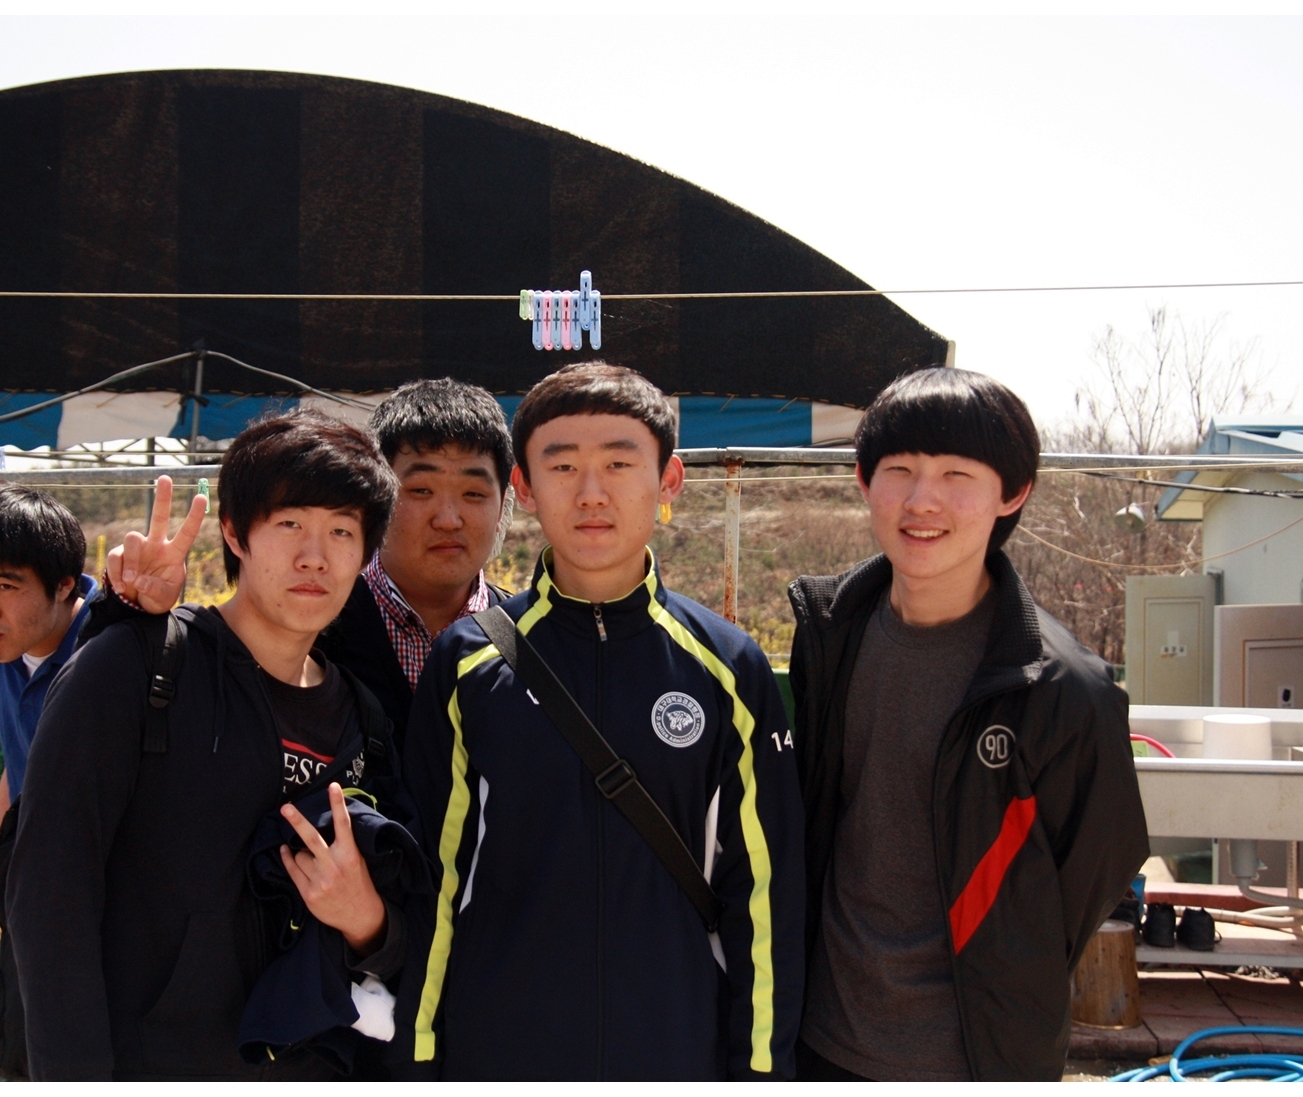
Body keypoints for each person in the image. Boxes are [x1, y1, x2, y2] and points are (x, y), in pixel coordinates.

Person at [395, 362, 806, 1080]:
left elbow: (765, 897)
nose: (591, 493)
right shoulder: (467, 661)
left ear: (668, 480)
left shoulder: (727, 667)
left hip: (675, 1053)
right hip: (498, 1054)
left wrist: (761, 1072)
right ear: (524, 487)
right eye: (562, 467)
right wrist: (417, 1057)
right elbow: (434, 880)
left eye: (619, 464)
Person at [4, 410, 407, 1080]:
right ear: (234, 532)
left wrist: (368, 921)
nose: (315, 556)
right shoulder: (137, 669)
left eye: (342, 531)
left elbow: (397, 931)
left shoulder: (364, 719)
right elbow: (49, 898)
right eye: (290, 524)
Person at [786, 367, 1149, 1082]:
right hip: (822, 1037)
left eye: (957, 474)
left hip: (977, 1058)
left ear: (1012, 492)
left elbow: (1095, 871)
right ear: (863, 480)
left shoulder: (1063, 689)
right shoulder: (830, 634)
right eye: (900, 470)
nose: (922, 500)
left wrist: (1008, 974)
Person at [105, 379, 515, 752]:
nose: (448, 519)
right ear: (379, 501)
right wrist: (127, 610)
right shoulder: (309, 616)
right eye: (421, 490)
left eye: (474, 494)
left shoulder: (527, 640)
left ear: (502, 507)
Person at [0, 485, 99, 1082]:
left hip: (104, 931)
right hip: (32, 910)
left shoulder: (113, 651)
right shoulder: (5, 652)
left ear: (64, 585)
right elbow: (19, 771)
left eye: (6, 587)